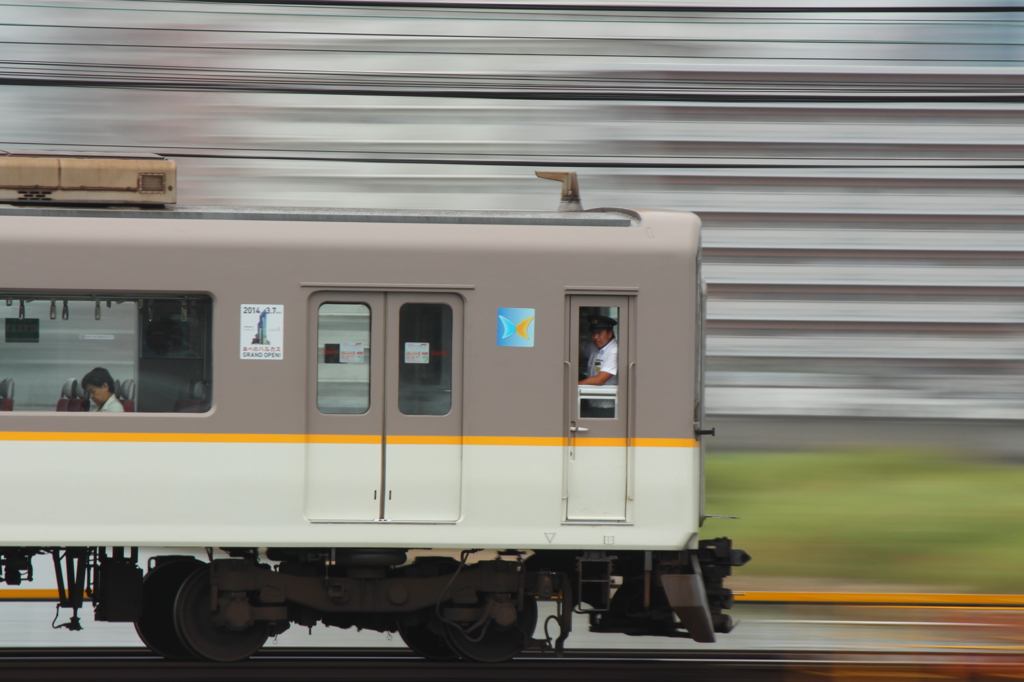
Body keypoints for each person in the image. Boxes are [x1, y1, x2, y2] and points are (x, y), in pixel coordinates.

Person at [579, 315, 618, 386]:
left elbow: (599, 380)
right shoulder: (593, 347)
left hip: (607, 396)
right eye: (593, 333)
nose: (596, 337)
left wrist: (573, 385)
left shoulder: (614, 351)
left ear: (609, 334)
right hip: (591, 394)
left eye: (599, 333)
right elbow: (574, 348)